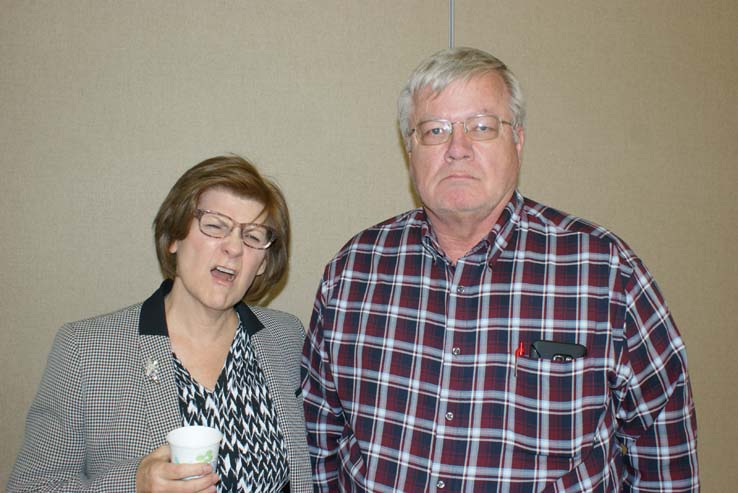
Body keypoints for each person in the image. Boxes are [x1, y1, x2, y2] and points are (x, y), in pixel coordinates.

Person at [301, 48, 699, 492]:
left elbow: (664, 452)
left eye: (482, 127)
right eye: (435, 130)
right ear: (409, 147)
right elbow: (320, 436)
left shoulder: (606, 272)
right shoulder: (353, 272)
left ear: (518, 141)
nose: (457, 149)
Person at [8, 155, 312, 492]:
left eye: (253, 236)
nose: (233, 249)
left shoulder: (286, 338)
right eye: (215, 226)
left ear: (263, 263)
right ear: (173, 237)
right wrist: (132, 485)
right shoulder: (85, 351)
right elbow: (31, 486)